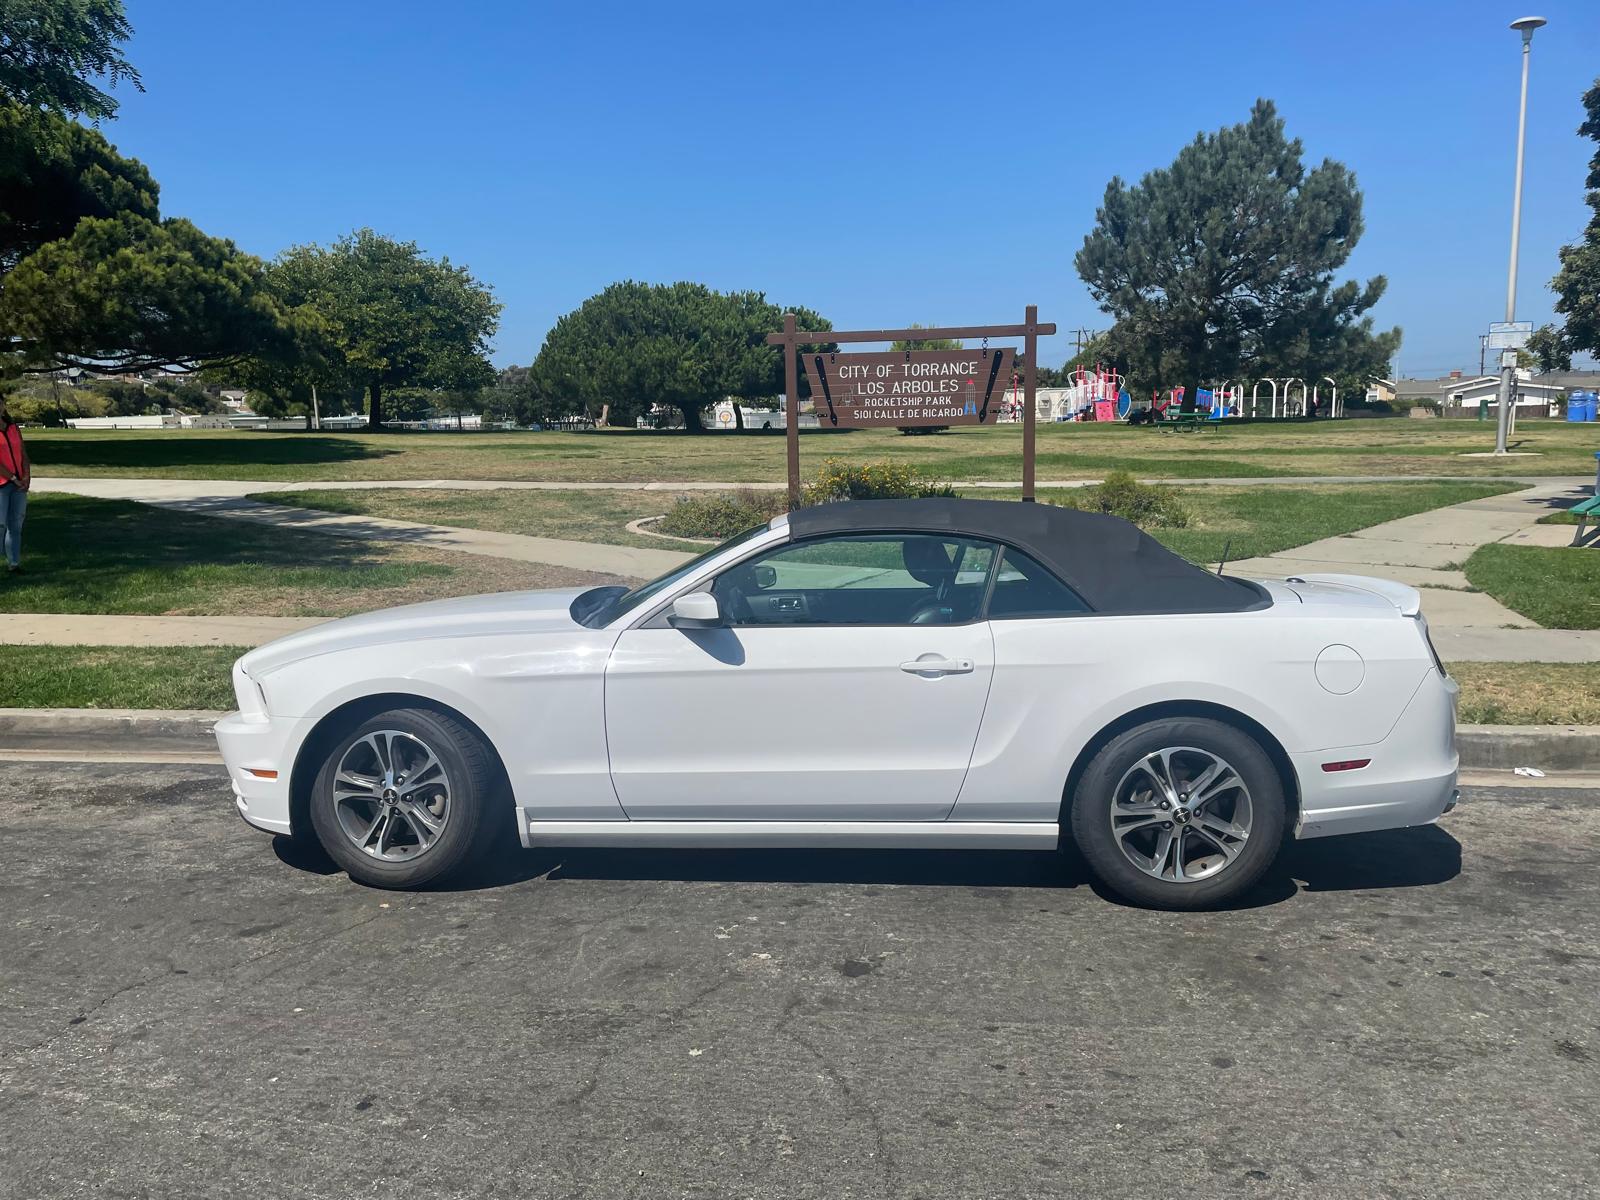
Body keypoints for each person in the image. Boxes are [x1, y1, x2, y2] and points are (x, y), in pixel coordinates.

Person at [0, 397, 30, 573]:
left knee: (15, 525)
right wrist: (13, 478)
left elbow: (23, 453)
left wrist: (26, 475)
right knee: (1, 524)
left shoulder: (13, 428)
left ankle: (14, 563)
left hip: (19, 483)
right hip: (3, 483)